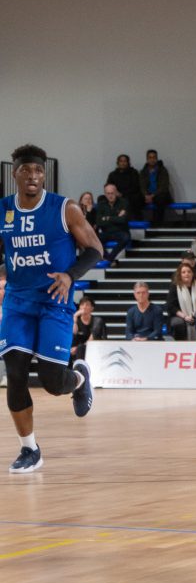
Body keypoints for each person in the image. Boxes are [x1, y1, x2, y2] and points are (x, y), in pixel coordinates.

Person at [0, 144, 101, 473]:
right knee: (15, 374)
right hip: (17, 302)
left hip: (54, 302)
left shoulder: (65, 209)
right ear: (14, 173)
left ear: (44, 175)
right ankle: (30, 449)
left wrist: (70, 275)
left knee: (52, 382)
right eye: (26, 170)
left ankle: (79, 379)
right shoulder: (4, 210)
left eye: (38, 171)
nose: (33, 176)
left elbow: (94, 249)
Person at [166, 263, 196, 340]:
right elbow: (171, 306)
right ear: (180, 275)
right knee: (178, 323)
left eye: (189, 271)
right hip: (180, 315)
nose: (186, 274)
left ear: (193, 273)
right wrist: (185, 317)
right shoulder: (175, 287)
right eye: (183, 272)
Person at [95, 183, 132, 260]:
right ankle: (109, 258)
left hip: (120, 231)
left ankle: (109, 259)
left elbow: (123, 220)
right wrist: (116, 217)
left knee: (125, 238)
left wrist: (107, 218)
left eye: (112, 193)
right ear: (105, 194)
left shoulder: (124, 202)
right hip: (107, 232)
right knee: (95, 240)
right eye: (108, 193)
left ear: (116, 193)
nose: (110, 196)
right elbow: (99, 222)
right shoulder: (101, 205)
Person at [140, 149, 174, 223]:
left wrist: (152, 196)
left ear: (156, 159)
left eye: (154, 157)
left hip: (160, 195)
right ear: (147, 159)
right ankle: (139, 223)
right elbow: (142, 185)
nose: (152, 159)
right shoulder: (143, 171)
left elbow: (164, 186)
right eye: (150, 157)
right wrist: (145, 195)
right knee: (136, 200)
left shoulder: (163, 170)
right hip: (147, 195)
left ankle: (157, 224)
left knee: (160, 200)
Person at [106, 154, 144, 220]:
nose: (123, 163)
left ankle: (135, 220)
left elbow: (136, 187)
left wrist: (122, 194)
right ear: (118, 163)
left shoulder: (134, 173)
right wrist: (115, 193)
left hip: (130, 195)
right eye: (121, 161)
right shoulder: (112, 174)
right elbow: (108, 186)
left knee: (135, 198)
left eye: (125, 161)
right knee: (101, 199)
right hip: (116, 195)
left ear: (128, 163)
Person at [71, 295, 107, 361]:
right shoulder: (76, 321)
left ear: (92, 308)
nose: (84, 307)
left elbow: (91, 340)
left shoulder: (97, 321)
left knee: (80, 348)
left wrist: (77, 348)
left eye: (87, 305)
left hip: (94, 348)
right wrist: (75, 317)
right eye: (82, 305)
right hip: (77, 350)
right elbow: (73, 333)